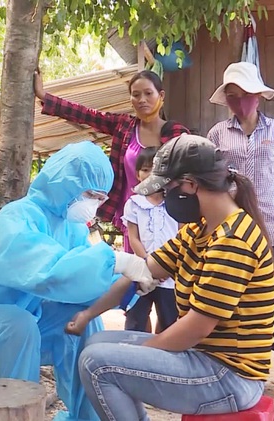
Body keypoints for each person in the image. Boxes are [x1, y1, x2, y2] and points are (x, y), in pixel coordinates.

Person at [0, 141, 157, 421]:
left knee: (84, 321)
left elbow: (78, 283)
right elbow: (51, 271)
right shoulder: (16, 218)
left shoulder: (71, 227)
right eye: (89, 194)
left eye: (99, 198)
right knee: (15, 324)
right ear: (63, 182)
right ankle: (10, 416)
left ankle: (90, 417)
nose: (93, 204)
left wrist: (129, 284)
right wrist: (119, 261)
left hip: (30, 323)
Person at [77, 134, 274, 420]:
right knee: (97, 343)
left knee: (97, 364)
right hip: (205, 359)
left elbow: (197, 327)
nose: (162, 197)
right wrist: (88, 312)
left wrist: (144, 354)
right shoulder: (199, 230)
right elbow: (146, 269)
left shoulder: (232, 241)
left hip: (229, 376)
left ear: (190, 185)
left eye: (167, 189)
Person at [34, 69, 188, 334]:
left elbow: (187, 175)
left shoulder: (175, 134)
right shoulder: (125, 126)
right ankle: (137, 345)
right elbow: (87, 115)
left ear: (161, 96)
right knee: (136, 287)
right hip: (132, 218)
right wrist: (43, 96)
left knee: (168, 293)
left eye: (148, 94)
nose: (142, 100)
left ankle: (165, 350)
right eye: (136, 95)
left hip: (166, 218)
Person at [206, 62, 274, 399]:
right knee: (228, 297)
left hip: (271, 229)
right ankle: (233, 367)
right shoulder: (217, 134)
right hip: (229, 229)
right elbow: (213, 180)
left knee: (273, 299)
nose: (237, 102)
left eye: (243, 95)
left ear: (257, 96)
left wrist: (267, 212)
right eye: (231, 97)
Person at [121, 146, 179, 332]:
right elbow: (133, 237)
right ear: (137, 174)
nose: (149, 174)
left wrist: (167, 266)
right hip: (141, 270)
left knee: (169, 320)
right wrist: (149, 263)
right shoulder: (133, 204)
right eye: (145, 169)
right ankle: (133, 358)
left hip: (170, 275)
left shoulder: (175, 204)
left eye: (155, 170)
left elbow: (181, 236)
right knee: (136, 319)